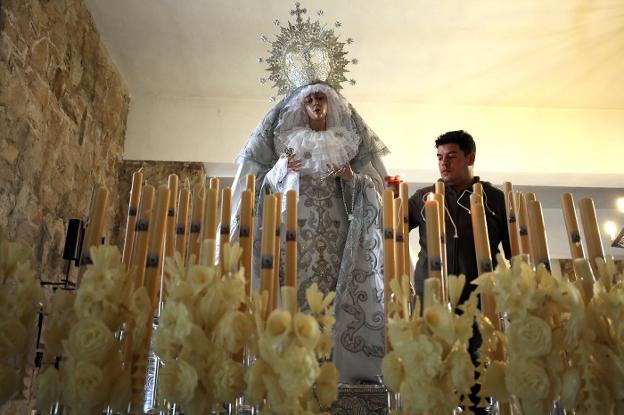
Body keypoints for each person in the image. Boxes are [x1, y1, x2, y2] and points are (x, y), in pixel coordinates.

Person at [231, 82, 389, 384]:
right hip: (295, 238)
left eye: (321, 98)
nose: (316, 103)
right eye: (310, 100)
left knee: (336, 302)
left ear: (330, 103)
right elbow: (262, 192)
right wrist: (280, 170)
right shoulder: (289, 146)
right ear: (301, 107)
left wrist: (351, 178)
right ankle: (292, 366)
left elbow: (375, 193)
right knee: (294, 296)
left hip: (338, 237)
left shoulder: (346, 143)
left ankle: (339, 369)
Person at [407, 130, 511, 414]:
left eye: (451, 156)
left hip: (478, 302)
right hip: (431, 302)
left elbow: (517, 252)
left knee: (476, 371)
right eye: (439, 157)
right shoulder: (422, 199)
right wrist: (389, 199)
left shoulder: (494, 199)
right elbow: (389, 230)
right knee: (431, 370)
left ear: (470, 157)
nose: (444, 163)